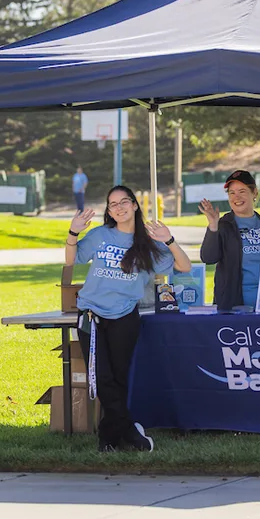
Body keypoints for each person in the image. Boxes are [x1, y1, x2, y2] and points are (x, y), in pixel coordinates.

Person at [67, 185, 191, 452]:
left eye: (124, 202)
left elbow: (184, 266)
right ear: (109, 211)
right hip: (92, 313)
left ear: (135, 205)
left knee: (120, 378)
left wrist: (169, 240)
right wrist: (73, 232)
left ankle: (109, 438)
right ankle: (130, 431)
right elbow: (72, 259)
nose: (119, 207)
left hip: (125, 316)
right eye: (113, 204)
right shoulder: (100, 235)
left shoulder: (147, 243)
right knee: (102, 377)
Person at [199, 170, 260, 310]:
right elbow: (208, 258)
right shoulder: (223, 225)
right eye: (231, 193)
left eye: (242, 191)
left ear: (254, 193)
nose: (236, 197)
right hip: (235, 308)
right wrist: (213, 226)